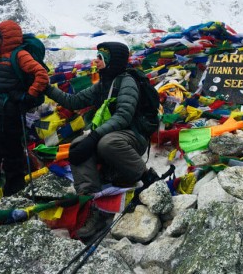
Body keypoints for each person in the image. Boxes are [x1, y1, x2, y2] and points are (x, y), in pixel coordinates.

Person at [44, 41, 158, 238]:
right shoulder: (104, 83)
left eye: (101, 57)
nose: (96, 61)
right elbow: (74, 101)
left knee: (108, 143)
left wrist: (95, 136)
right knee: (78, 145)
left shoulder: (127, 81)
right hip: (112, 134)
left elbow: (123, 116)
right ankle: (91, 205)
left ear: (111, 60)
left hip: (132, 137)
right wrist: (46, 87)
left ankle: (148, 178)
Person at [0, 20, 49, 205]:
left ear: (5, 38)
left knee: (12, 157)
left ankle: (13, 198)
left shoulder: (20, 55)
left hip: (9, 115)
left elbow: (41, 75)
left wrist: (28, 96)